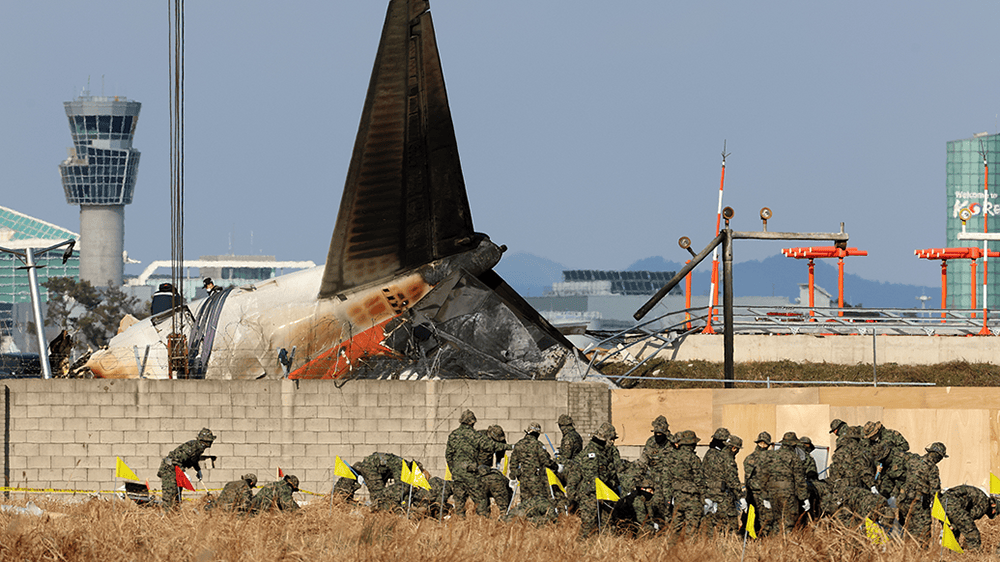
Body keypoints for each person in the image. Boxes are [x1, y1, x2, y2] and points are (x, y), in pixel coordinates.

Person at [445, 409, 509, 517]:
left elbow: (449, 456)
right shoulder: (478, 436)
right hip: (474, 472)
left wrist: (454, 470)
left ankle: (502, 514)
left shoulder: (454, 435)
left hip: (466, 472)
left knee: (460, 502)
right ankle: (482, 521)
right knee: (481, 500)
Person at [571, 423, 619, 538]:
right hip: (591, 497)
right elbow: (592, 478)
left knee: (607, 527)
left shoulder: (603, 451)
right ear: (604, 438)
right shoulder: (592, 453)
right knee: (589, 528)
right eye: (611, 439)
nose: (613, 442)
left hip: (603, 496)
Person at [508, 422, 558, 522]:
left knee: (525, 504)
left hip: (523, 479)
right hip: (536, 479)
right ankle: (538, 523)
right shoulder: (538, 445)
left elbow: (513, 463)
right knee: (539, 502)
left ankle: (524, 523)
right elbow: (545, 460)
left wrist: (513, 477)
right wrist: (556, 466)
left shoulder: (519, 444)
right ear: (538, 434)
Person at [898, 442, 946, 545]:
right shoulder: (932, 467)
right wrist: (938, 503)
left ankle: (905, 551)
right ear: (938, 456)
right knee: (924, 527)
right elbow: (935, 490)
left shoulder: (913, 460)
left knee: (907, 526)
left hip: (903, 499)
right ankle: (922, 553)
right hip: (919, 502)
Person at [157, 428, 216, 510]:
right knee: (170, 495)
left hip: (176, 469)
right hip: (169, 469)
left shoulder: (198, 449)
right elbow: (176, 460)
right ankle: (167, 515)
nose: (209, 445)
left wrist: (198, 470)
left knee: (177, 495)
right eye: (209, 442)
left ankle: (175, 514)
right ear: (204, 442)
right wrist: (183, 472)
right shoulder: (192, 447)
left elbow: (194, 460)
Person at [662, 430, 706, 538]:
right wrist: (704, 498)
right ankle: (689, 553)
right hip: (692, 498)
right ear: (692, 444)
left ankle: (671, 552)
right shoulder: (694, 459)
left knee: (675, 528)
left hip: (677, 497)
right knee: (691, 530)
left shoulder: (670, 458)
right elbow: (699, 480)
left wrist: (668, 498)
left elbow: (666, 479)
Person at [764, 432, 808, 533]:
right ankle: (786, 546)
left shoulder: (771, 456)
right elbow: (799, 480)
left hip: (772, 493)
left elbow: (764, 476)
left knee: (776, 522)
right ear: (793, 444)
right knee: (789, 523)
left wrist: (765, 495)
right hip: (788, 494)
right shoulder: (794, 458)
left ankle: (774, 545)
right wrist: (804, 498)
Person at [703, 429, 743, 534]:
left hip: (709, 495)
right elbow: (732, 480)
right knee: (730, 526)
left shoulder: (709, 454)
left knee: (711, 526)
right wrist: (740, 497)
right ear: (734, 448)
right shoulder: (727, 458)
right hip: (722, 497)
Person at [940, 485, 998, 553]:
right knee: (973, 534)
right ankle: (973, 556)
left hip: (943, 501)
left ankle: (952, 555)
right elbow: (969, 516)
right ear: (994, 509)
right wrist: (955, 526)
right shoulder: (985, 504)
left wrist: (954, 526)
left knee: (954, 533)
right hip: (953, 504)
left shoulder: (981, 496)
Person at [743, 431, 773, 535]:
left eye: (765, 443)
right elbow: (748, 478)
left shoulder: (772, 458)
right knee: (760, 518)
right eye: (761, 443)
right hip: (756, 493)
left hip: (767, 493)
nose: (763, 445)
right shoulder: (751, 458)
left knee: (766, 518)